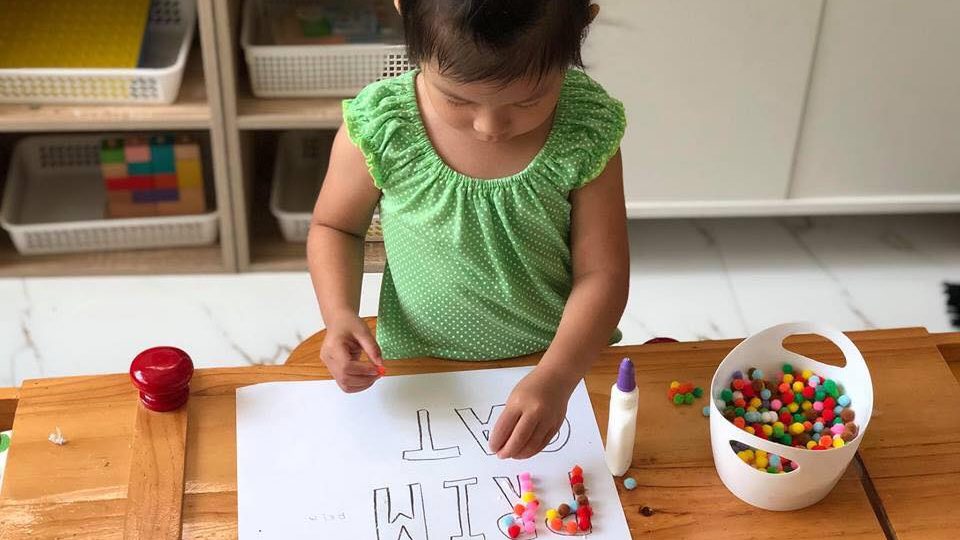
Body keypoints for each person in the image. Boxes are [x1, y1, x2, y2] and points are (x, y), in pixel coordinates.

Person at [308, 0, 628, 460]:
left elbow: (603, 273)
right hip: (420, 365)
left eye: (528, 100)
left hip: (561, 361)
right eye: (457, 99)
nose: (489, 126)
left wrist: (557, 375)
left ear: (582, 26)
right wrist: (339, 313)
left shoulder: (584, 130)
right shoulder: (385, 127)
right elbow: (335, 227)